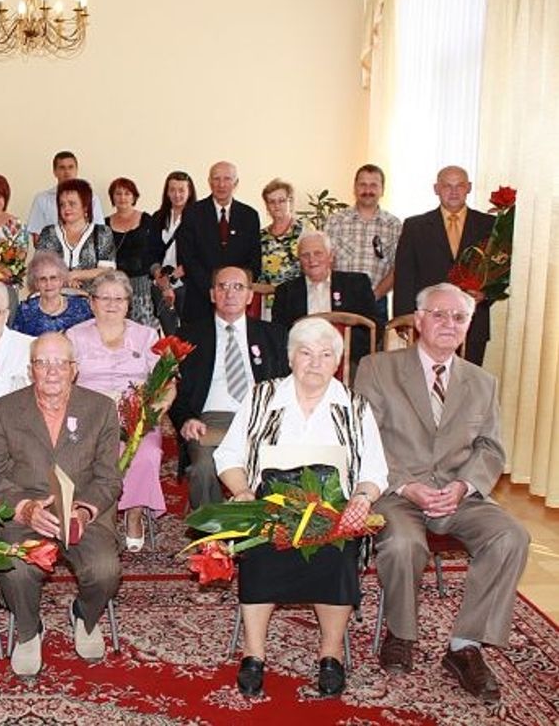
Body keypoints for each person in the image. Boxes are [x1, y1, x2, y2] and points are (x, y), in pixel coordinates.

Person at [355, 283, 529, 703]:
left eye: (458, 318)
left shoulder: (482, 382)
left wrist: (464, 485)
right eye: (438, 314)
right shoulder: (377, 369)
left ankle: (465, 645)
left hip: (458, 494)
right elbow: (362, 439)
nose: (449, 324)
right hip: (398, 491)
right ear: (418, 321)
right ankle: (401, 632)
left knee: (512, 536)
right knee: (401, 545)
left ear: (468, 326)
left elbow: (490, 448)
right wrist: (404, 484)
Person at [214, 317, 389, 698]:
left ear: (337, 362)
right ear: (291, 357)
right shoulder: (262, 397)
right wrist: (243, 491)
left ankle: (330, 656)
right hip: (270, 507)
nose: (315, 363)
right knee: (259, 550)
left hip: (331, 513)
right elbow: (227, 453)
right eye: (306, 354)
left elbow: (376, 468)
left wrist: (362, 498)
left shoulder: (354, 407)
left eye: (326, 355)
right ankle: (254, 653)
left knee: (338, 554)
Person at [0, 333, 123, 677]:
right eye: (42, 362)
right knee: (16, 569)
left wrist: (84, 510)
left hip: (83, 513)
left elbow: (109, 478)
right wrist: (25, 508)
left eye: (60, 362)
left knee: (105, 570)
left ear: (74, 369)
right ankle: (29, 631)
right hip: (27, 511)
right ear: (31, 369)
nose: (51, 371)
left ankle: (85, 616)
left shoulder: (101, 409)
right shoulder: (4, 409)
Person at [67, 271, 175, 551]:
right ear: (92, 302)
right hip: (89, 417)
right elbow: (62, 381)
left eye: (119, 298)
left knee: (147, 454)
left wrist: (160, 404)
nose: (112, 304)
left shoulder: (147, 335)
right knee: (89, 453)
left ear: (128, 303)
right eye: (105, 298)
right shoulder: (75, 336)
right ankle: (97, 511)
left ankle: (134, 514)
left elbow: (167, 381)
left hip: (135, 417)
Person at [167, 266, 290, 509]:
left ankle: (265, 532)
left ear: (249, 295)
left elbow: (286, 385)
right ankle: (213, 537)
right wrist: (186, 419)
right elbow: (173, 389)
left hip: (259, 420)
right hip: (208, 422)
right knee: (202, 467)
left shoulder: (274, 335)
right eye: (222, 287)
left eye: (238, 287)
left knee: (277, 466)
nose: (229, 293)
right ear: (212, 294)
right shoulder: (188, 335)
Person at [394, 166, 494, 365]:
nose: (454, 191)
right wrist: (404, 319)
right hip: (428, 322)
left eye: (460, 185)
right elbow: (404, 275)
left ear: (469, 188)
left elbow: (499, 271)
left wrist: (487, 294)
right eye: (447, 186)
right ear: (436, 188)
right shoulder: (415, 226)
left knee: (467, 384)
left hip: (472, 323)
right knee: (426, 383)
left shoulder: (489, 225)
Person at [271, 231, 378, 366]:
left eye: (318, 253)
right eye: (305, 255)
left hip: (349, 360)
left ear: (331, 256)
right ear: (299, 260)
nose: (312, 260)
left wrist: (340, 350)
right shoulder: (285, 292)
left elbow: (374, 326)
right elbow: (279, 336)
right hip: (303, 363)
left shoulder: (356, 283)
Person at [178, 161, 262, 323]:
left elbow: (254, 260)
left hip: (236, 302)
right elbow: (187, 257)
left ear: (236, 183)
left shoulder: (249, 216)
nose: (221, 184)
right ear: (209, 182)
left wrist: (234, 289)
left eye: (227, 179)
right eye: (216, 179)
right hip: (200, 298)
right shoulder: (192, 213)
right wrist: (214, 289)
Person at [324, 164, 402, 323]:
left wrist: (375, 296)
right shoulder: (335, 221)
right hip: (338, 302)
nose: (368, 190)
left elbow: (398, 268)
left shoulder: (393, 225)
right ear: (354, 187)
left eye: (374, 185)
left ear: (382, 190)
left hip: (376, 303)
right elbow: (326, 261)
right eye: (363, 184)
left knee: (375, 348)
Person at [35, 178, 116, 289]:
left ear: (85, 206)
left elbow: (107, 270)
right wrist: (65, 280)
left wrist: (75, 275)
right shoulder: (48, 233)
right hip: (55, 300)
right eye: (62, 204)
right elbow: (39, 268)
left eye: (72, 204)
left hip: (93, 301)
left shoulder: (102, 232)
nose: (66, 208)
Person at [148, 170, 198, 335]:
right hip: (161, 283)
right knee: (169, 335)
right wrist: (158, 274)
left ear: (189, 192)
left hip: (187, 283)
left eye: (181, 190)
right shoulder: (158, 217)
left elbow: (202, 251)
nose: (177, 194)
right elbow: (151, 251)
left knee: (189, 332)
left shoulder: (199, 218)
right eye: (172, 190)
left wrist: (180, 273)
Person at [253, 179, 312, 316]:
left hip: (297, 300)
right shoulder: (260, 236)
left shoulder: (305, 231)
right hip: (267, 303)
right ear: (266, 206)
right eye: (271, 201)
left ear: (290, 202)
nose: (276, 205)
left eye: (281, 200)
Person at [105, 177, 157, 326]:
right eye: (118, 193)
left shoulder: (147, 220)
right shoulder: (104, 224)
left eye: (127, 193)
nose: (122, 198)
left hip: (141, 285)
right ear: (112, 198)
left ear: (134, 196)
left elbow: (154, 251)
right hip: (114, 284)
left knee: (143, 329)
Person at [26, 151, 106, 242]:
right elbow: (37, 239)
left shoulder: (91, 198)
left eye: (70, 167)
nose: (67, 172)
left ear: (76, 170)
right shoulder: (42, 199)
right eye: (62, 168)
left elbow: (99, 234)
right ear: (55, 172)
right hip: (53, 254)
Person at [12, 251, 95, 336]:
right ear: (36, 283)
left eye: (53, 278)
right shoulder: (25, 311)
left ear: (61, 280)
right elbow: (18, 342)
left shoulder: (82, 307)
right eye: (43, 279)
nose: (49, 284)